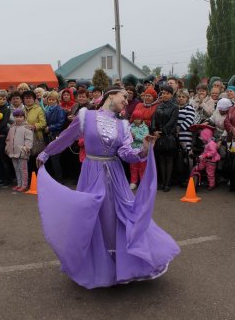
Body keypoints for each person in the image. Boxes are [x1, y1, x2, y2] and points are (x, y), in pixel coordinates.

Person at [36, 86, 180, 289]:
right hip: (91, 173)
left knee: (119, 216)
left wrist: (144, 150)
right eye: (123, 96)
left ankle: (122, 264)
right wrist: (46, 153)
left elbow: (126, 153)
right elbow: (66, 137)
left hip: (115, 176)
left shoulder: (123, 125)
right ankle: (93, 265)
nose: (126, 100)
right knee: (93, 216)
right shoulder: (86, 116)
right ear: (111, 95)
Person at [151, 85, 179, 192]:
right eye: (163, 93)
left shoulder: (175, 107)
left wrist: (161, 132)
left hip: (169, 136)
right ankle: (162, 182)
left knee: (169, 160)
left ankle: (168, 183)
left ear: (171, 95)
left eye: (167, 93)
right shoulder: (159, 105)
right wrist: (154, 130)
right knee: (161, 159)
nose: (164, 95)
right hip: (158, 136)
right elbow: (153, 119)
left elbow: (172, 122)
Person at [5, 109, 34, 192]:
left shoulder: (27, 127)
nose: (18, 118)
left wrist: (25, 149)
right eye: (17, 116)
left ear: (24, 117)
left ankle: (24, 185)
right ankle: (19, 184)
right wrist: (7, 148)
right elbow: (8, 139)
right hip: (12, 152)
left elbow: (29, 140)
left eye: (21, 116)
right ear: (14, 117)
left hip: (22, 153)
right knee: (16, 169)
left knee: (23, 169)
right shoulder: (12, 128)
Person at [191, 126, 220, 191]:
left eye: (203, 138)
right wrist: (201, 156)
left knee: (210, 173)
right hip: (205, 160)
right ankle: (191, 178)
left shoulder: (211, 144)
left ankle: (211, 185)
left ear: (206, 137)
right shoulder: (207, 144)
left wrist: (205, 155)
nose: (202, 140)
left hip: (211, 161)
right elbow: (205, 152)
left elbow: (213, 152)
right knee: (197, 168)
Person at [129, 109, 149, 190]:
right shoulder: (130, 126)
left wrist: (135, 137)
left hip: (142, 150)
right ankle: (133, 182)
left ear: (141, 119)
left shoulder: (145, 127)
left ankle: (143, 182)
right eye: (135, 118)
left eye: (138, 119)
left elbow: (145, 138)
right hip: (132, 149)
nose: (137, 120)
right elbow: (127, 136)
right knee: (133, 166)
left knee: (142, 166)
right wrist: (130, 137)